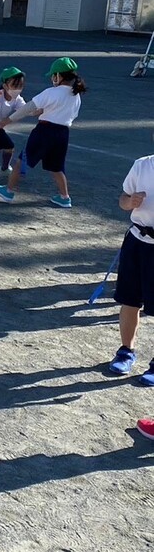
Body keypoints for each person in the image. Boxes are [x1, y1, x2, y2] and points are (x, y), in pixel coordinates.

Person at [0, 58, 85, 208]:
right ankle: (65, 197)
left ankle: (8, 191)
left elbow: (27, 108)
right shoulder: (76, 95)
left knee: (23, 160)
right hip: (63, 134)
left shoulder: (51, 92)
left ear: (58, 76)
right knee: (57, 167)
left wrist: (7, 120)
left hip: (44, 131)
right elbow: (72, 115)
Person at [108, 149, 154, 436]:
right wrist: (130, 202)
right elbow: (122, 200)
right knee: (129, 301)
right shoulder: (142, 165)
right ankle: (126, 352)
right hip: (138, 242)